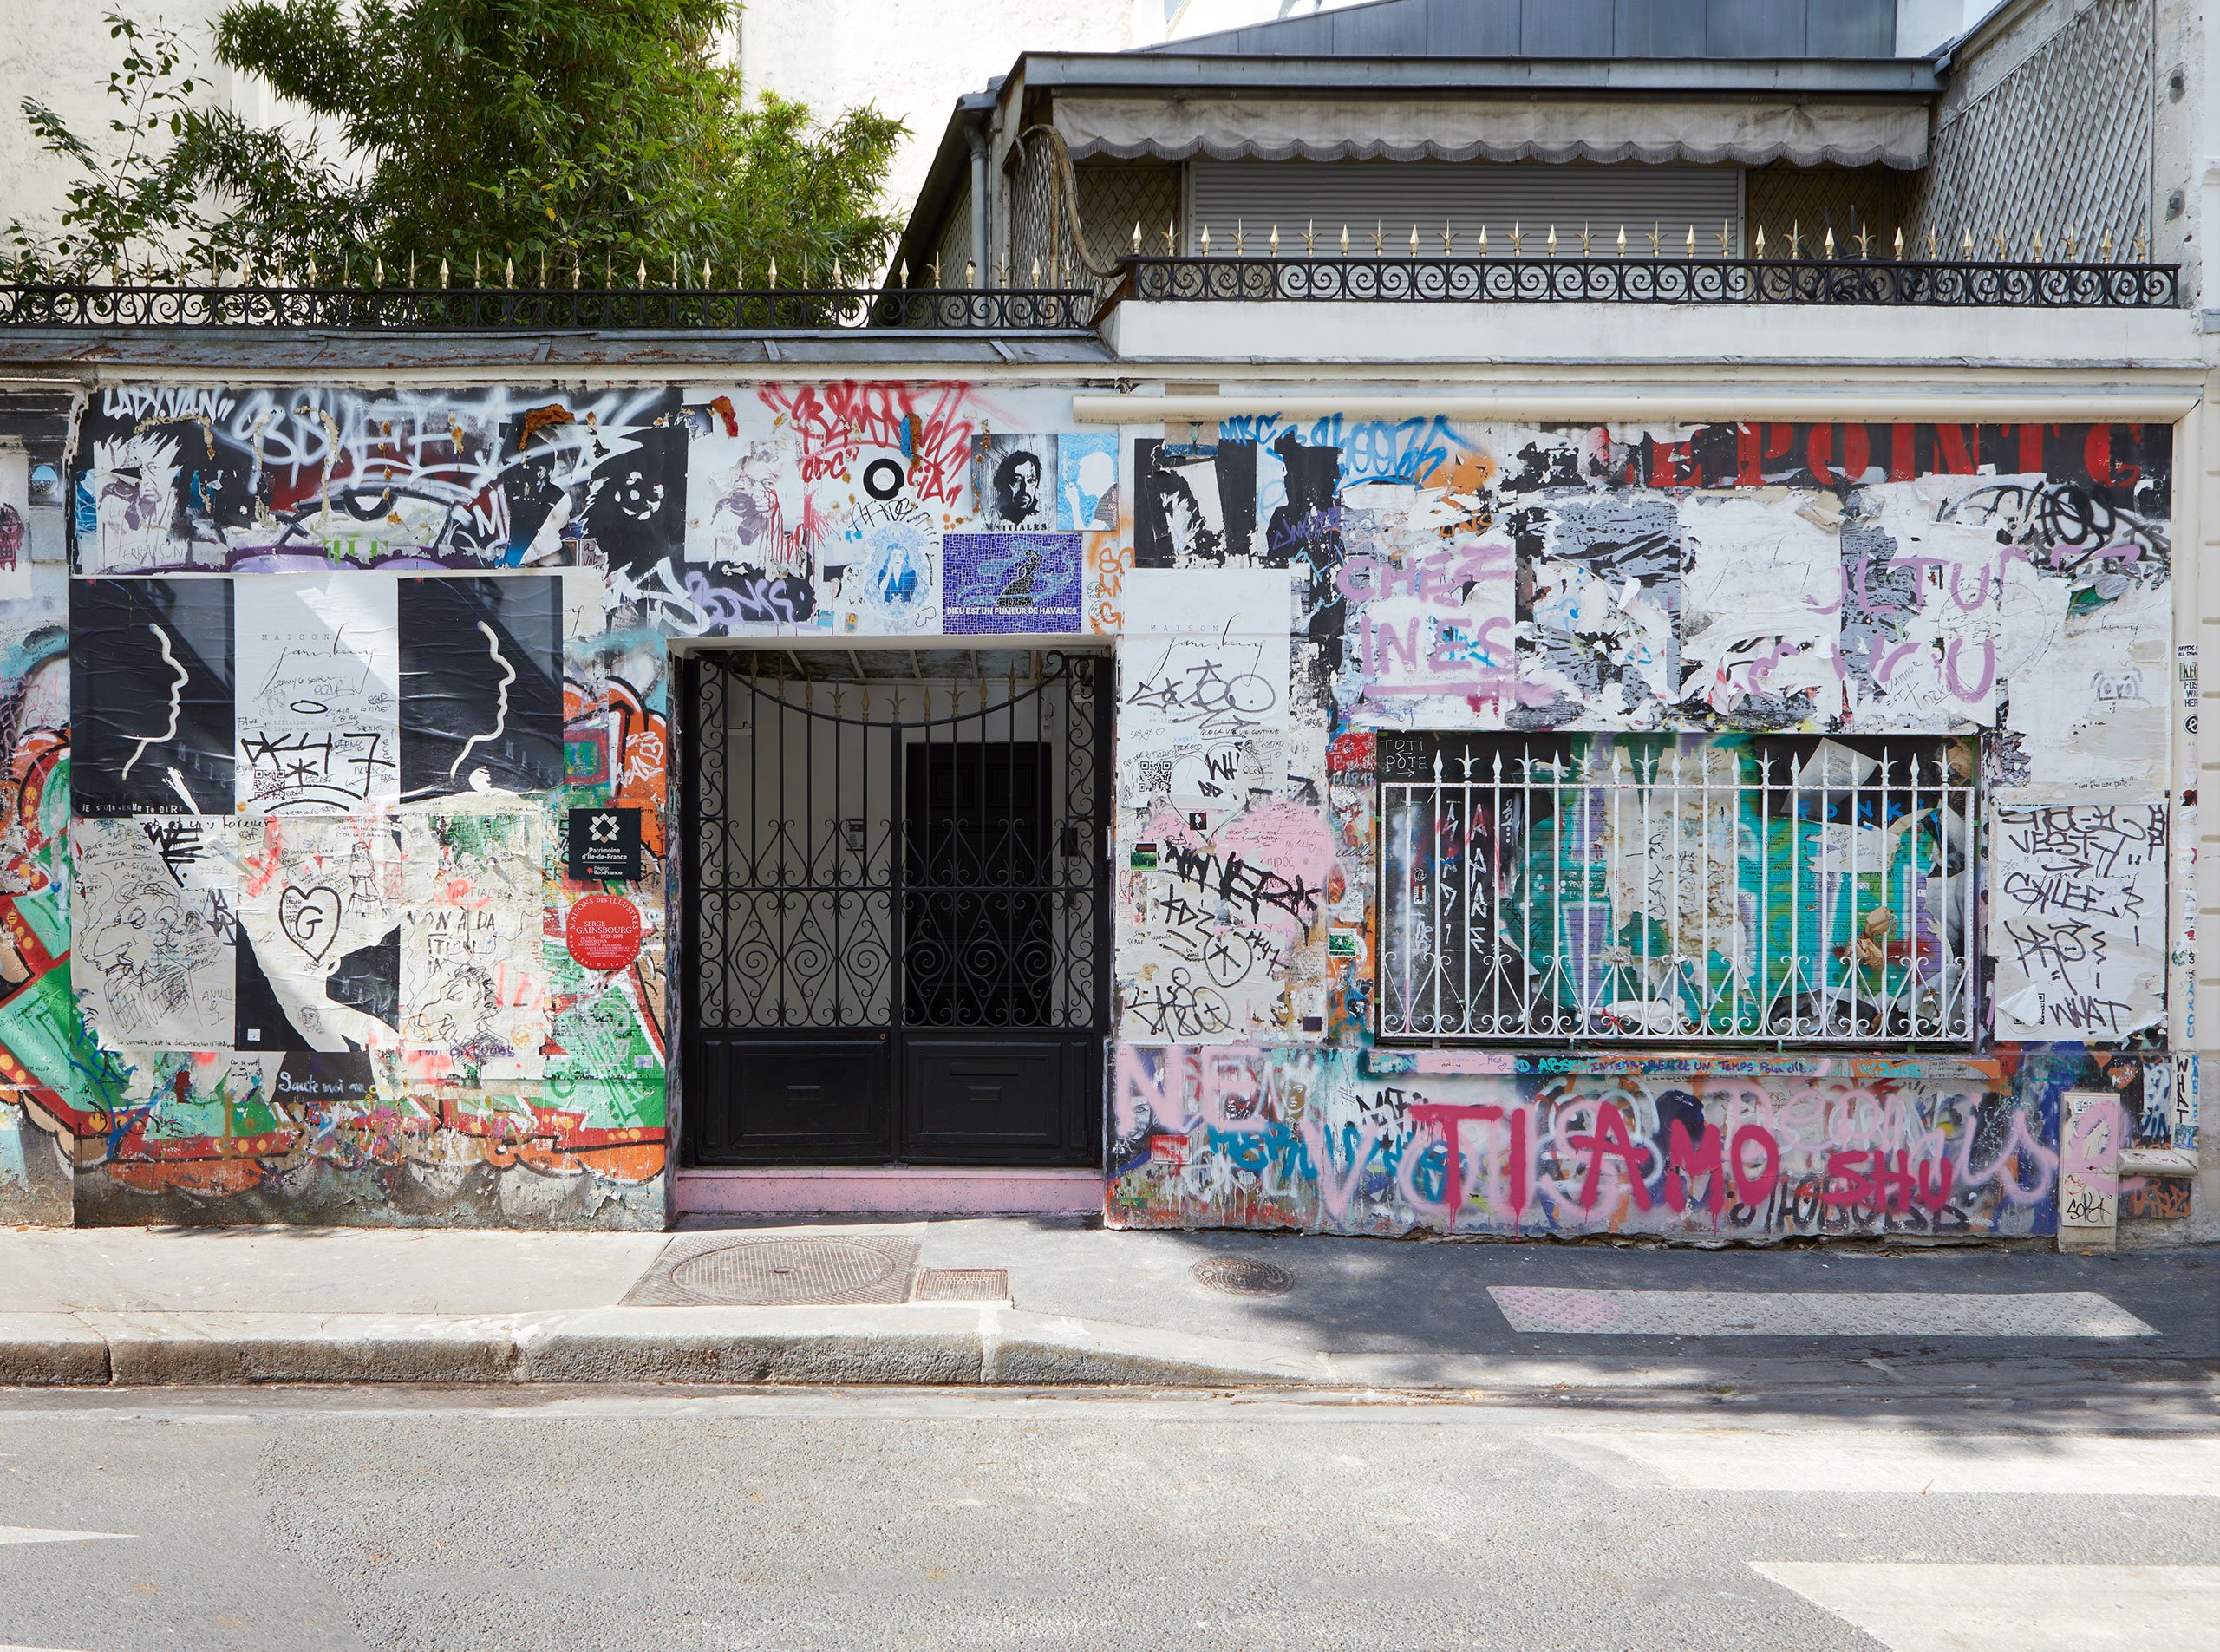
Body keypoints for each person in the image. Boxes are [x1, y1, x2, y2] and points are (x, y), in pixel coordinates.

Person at [990, 448, 1044, 526]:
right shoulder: (994, 515)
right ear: (1006, 483)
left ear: (1037, 483)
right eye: (1016, 480)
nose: (1024, 488)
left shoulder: (1039, 517)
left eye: (1030, 481)